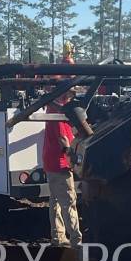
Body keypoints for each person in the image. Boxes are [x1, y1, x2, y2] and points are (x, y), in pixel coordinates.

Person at [43, 43, 82, 246]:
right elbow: (63, 140)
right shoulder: (58, 112)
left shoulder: (53, 109)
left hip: (51, 162)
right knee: (69, 201)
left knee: (55, 201)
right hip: (60, 164)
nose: (71, 95)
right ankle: (76, 240)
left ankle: (58, 236)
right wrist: (72, 158)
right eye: (70, 92)